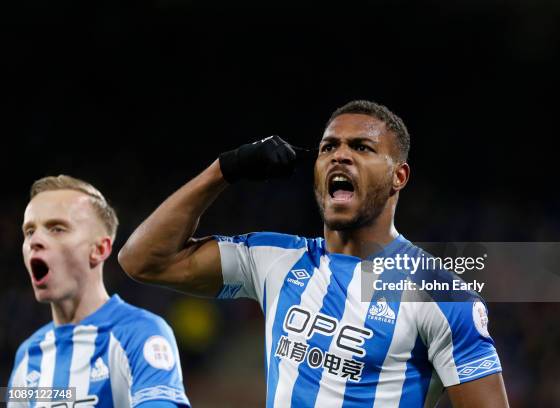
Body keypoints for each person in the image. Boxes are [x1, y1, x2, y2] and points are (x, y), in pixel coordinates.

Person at [119, 100, 509, 407]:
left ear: (398, 177)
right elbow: (143, 260)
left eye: (361, 147)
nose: (340, 155)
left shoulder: (440, 294)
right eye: (329, 147)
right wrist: (225, 169)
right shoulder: (274, 259)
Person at [8, 175, 190, 408]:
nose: (35, 240)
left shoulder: (141, 334)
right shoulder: (27, 355)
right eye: (29, 231)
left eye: (57, 229)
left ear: (100, 249)